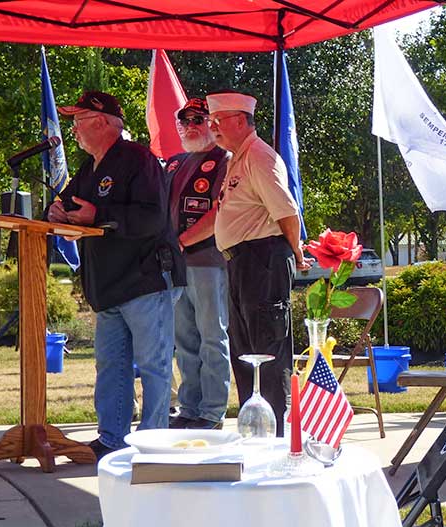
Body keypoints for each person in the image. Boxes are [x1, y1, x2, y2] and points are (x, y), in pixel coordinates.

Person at [46, 91, 185, 460]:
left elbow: (152, 218)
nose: (73, 129)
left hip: (145, 279)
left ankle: (154, 442)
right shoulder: (90, 167)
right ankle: (112, 440)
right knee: (110, 364)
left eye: (78, 120)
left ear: (103, 122)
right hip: (107, 285)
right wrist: (57, 211)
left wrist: (99, 215)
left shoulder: (138, 158)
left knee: (153, 365)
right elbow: (71, 203)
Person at [178, 90, 311, 436]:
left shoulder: (260, 157)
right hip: (240, 262)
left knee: (266, 354)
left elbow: (286, 211)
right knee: (244, 352)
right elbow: (224, 215)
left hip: (262, 259)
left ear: (240, 121)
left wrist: (296, 251)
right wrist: (181, 241)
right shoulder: (238, 158)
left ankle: (279, 439)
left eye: (217, 121)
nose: (212, 127)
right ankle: (257, 434)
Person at [165, 98, 231, 430]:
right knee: (185, 340)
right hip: (176, 265)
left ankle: (212, 412)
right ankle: (189, 407)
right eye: (185, 120)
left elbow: (220, 212)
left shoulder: (225, 160)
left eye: (199, 119)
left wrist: (180, 241)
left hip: (209, 262)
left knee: (211, 338)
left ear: (213, 124)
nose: (192, 125)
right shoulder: (175, 163)